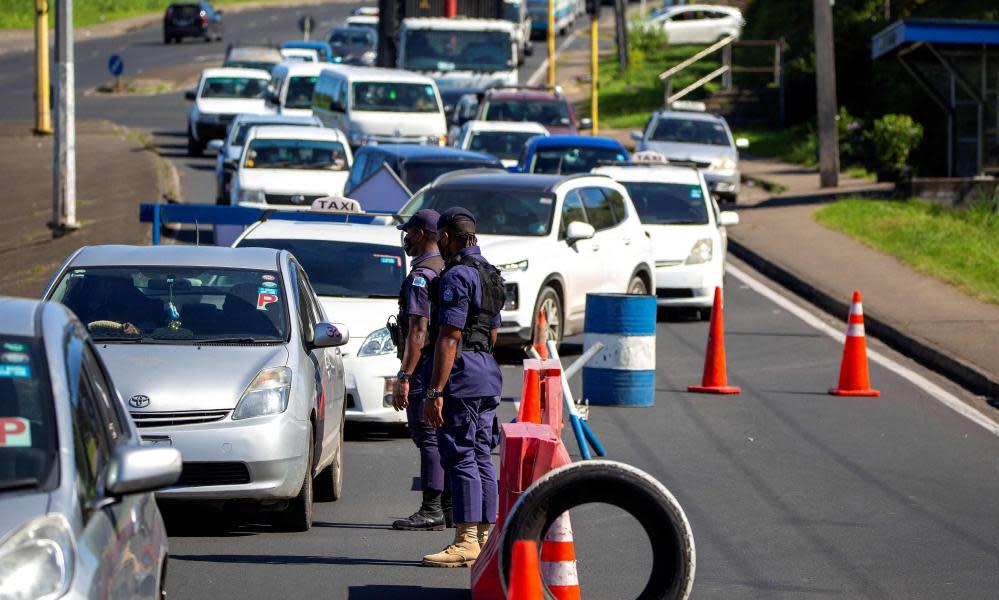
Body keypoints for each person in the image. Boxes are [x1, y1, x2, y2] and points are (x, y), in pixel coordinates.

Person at [421, 207, 505, 568]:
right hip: (487, 371)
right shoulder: (489, 273)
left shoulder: (457, 276)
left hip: (462, 376)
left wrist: (435, 391)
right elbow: (494, 332)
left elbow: (449, 335)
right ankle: (486, 537)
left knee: (460, 454)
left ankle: (466, 539)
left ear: (447, 236)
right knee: (482, 454)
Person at [390, 209, 450, 532]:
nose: (406, 238)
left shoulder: (420, 277)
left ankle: (431, 508)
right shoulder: (446, 269)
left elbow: (417, 331)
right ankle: (449, 507)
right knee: (442, 436)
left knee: (427, 435)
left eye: (410, 232)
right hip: (445, 365)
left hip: (424, 365)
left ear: (424, 234)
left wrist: (405, 375)